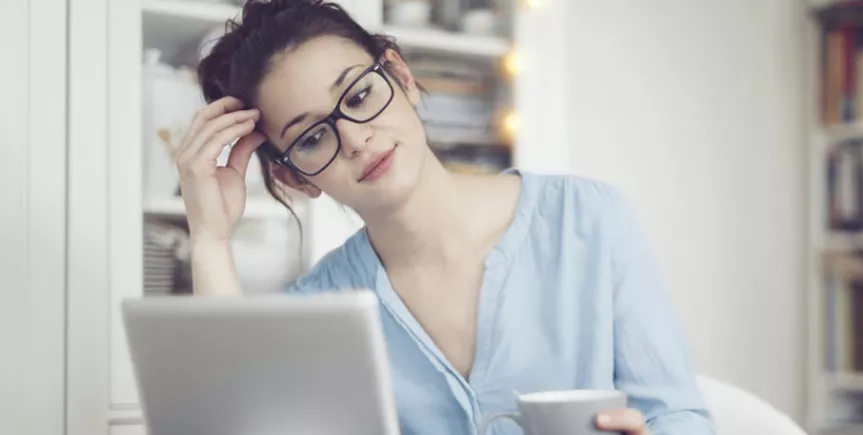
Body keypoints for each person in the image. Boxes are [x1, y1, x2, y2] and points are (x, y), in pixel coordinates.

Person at [179, 0, 713, 433]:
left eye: (360, 93)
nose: (357, 139)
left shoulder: (590, 219)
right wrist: (209, 237)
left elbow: (680, 417)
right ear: (296, 177)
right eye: (314, 137)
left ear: (402, 79)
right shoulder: (317, 312)